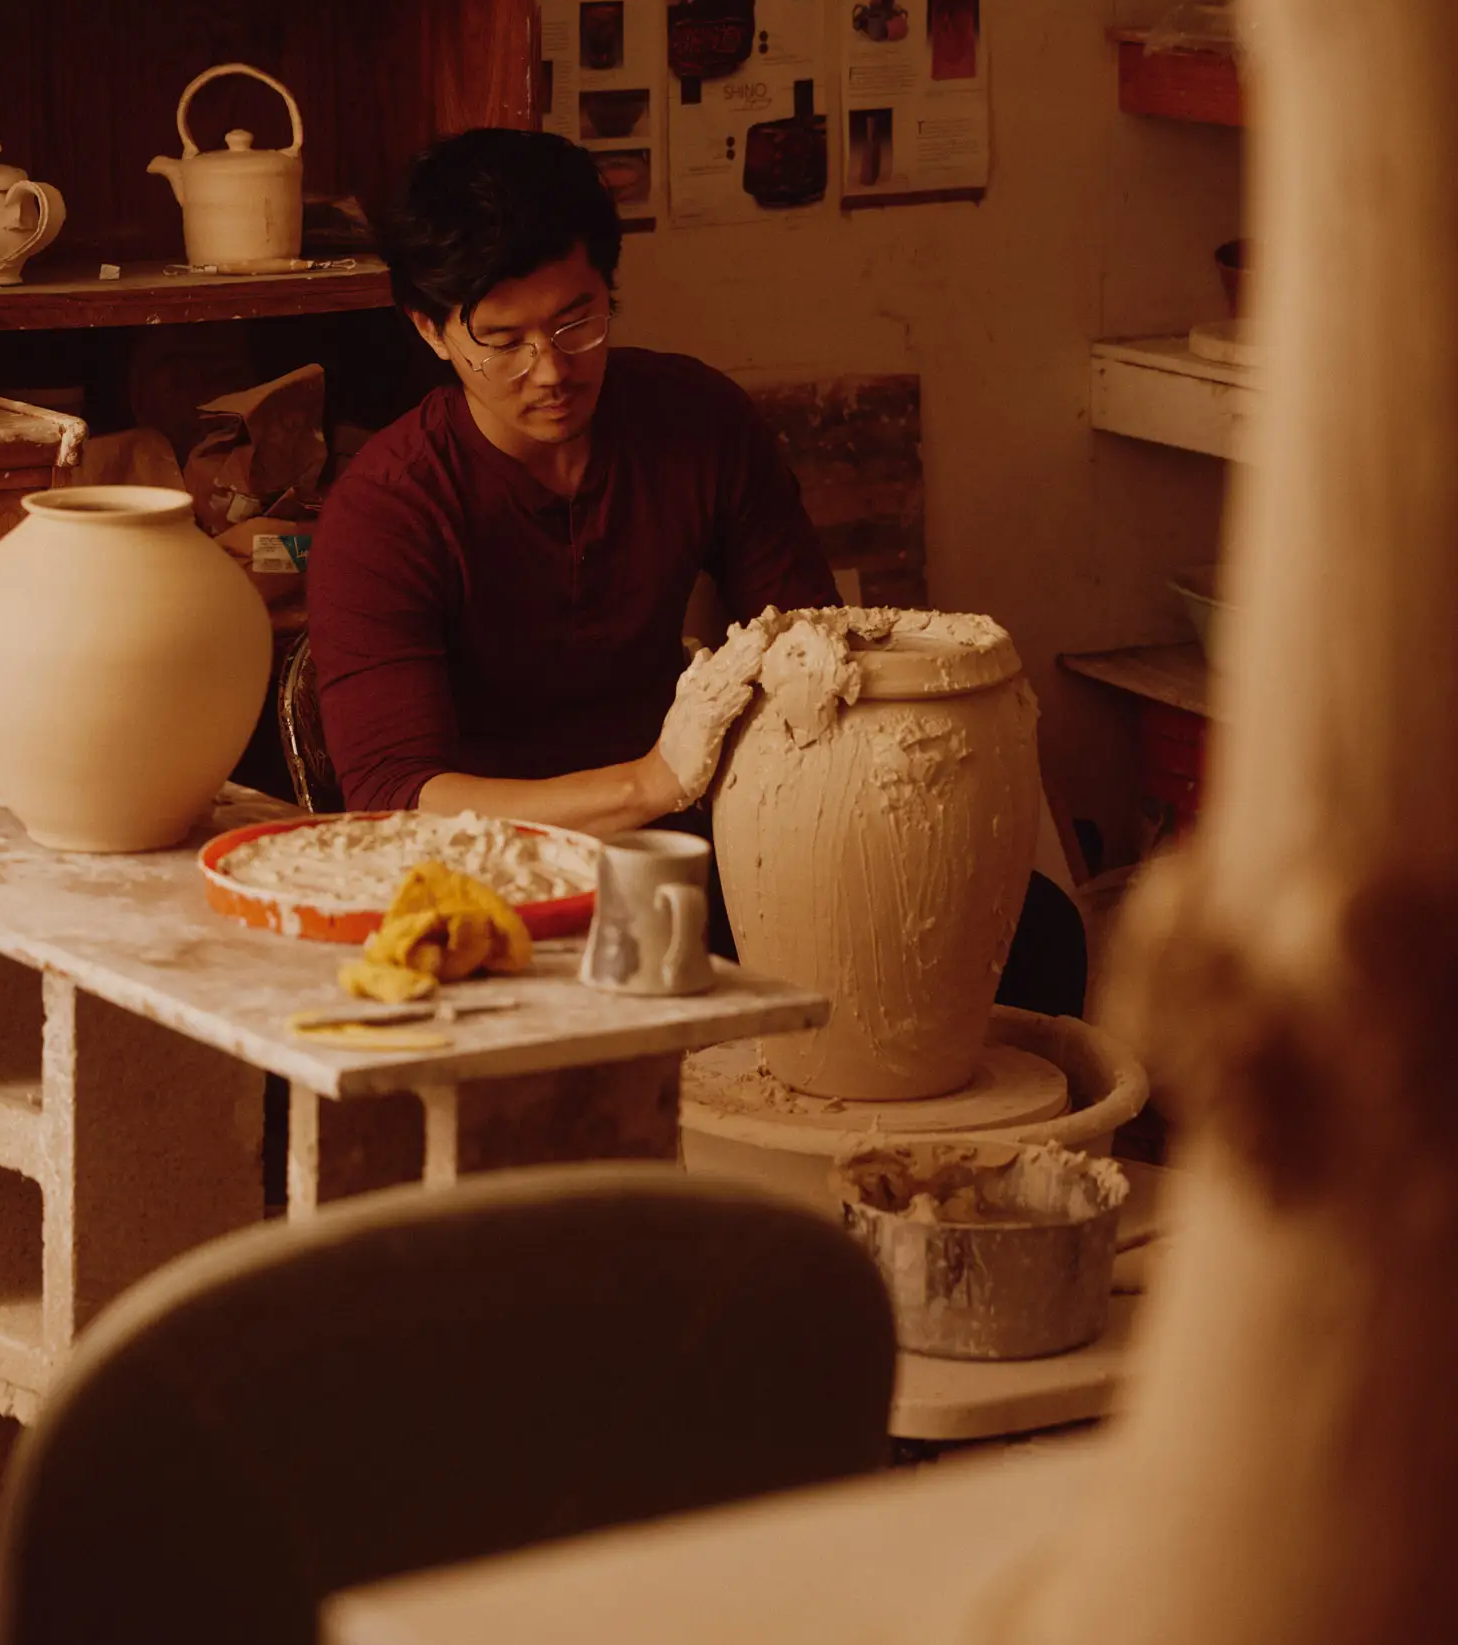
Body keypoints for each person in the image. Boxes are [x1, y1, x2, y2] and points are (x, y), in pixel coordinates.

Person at [306, 128, 1084, 1013]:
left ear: (609, 289)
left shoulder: (695, 422)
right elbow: (402, 801)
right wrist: (650, 779)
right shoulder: (387, 509)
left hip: (693, 839)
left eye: (577, 321)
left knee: (1032, 937)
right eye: (504, 341)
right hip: (500, 875)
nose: (551, 371)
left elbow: (811, 643)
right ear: (433, 333)